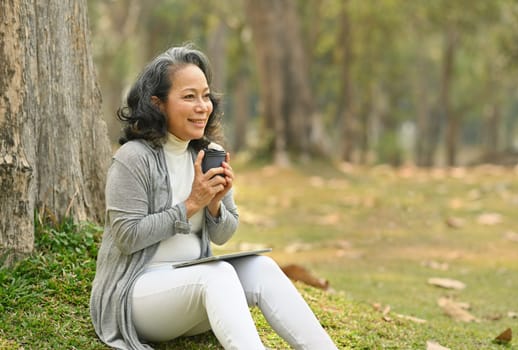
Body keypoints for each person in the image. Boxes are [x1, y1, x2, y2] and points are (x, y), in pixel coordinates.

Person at [89, 44, 338, 350]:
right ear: (158, 104)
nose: (202, 106)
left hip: (194, 290)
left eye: (205, 96)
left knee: (263, 267)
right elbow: (127, 237)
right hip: (137, 294)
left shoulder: (208, 154)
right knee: (216, 274)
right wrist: (191, 204)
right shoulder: (134, 159)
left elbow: (223, 234)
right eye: (189, 96)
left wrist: (215, 204)